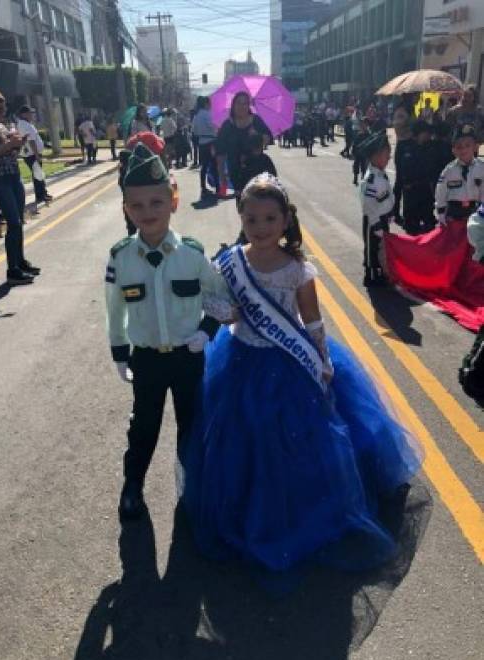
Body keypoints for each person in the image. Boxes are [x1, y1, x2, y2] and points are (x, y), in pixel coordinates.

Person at [180, 172, 422, 575]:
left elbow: (311, 320)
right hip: (240, 356)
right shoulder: (229, 263)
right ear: (241, 218)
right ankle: (246, 505)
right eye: (252, 219)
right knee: (242, 439)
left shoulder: (296, 267)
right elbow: (211, 300)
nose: (260, 228)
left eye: (270, 219)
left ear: (285, 220)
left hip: (288, 361)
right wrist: (226, 312)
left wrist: (323, 359)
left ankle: (305, 507)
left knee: (300, 437)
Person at [105, 143, 225, 520]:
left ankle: (192, 487)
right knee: (144, 427)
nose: (147, 213)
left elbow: (219, 296)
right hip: (148, 361)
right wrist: (120, 352)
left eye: (156, 203)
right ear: (126, 208)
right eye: (137, 205)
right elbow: (115, 308)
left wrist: (207, 331)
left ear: (173, 201)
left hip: (188, 356)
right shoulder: (120, 258)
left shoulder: (192, 255)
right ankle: (132, 487)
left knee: (192, 424)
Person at [0, 88, 39, 285]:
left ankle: (20, 262)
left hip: (13, 174)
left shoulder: (0, 125)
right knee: (12, 221)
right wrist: (8, 145)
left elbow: (8, 152)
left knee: (18, 220)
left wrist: (17, 144)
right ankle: (12, 269)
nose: (2, 113)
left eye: (4, 109)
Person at [216, 91, 271, 199]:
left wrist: (257, 136)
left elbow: (268, 138)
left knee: (259, 203)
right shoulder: (227, 126)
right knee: (243, 206)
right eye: (239, 103)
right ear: (233, 105)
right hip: (236, 173)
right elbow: (220, 153)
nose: (242, 106)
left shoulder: (256, 121)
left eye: (245, 103)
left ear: (249, 106)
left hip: (257, 169)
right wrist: (222, 179)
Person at [359, 132, 394, 286]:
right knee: (371, 247)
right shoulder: (371, 180)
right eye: (386, 155)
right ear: (375, 156)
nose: (388, 159)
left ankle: (380, 271)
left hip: (383, 217)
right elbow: (369, 205)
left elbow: (386, 196)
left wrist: (390, 214)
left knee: (381, 247)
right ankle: (370, 274)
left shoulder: (380, 174)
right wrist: (376, 224)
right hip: (373, 220)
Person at [435, 124, 484, 224]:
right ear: (453, 150)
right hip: (454, 215)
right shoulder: (449, 170)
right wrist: (441, 213)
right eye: (459, 146)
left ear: (475, 147)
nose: (463, 150)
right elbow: (440, 192)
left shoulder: (481, 167)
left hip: (475, 213)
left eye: (467, 145)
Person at [398, 119, 436, 235]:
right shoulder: (407, 148)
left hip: (426, 194)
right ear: (419, 133)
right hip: (412, 194)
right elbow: (404, 173)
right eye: (426, 133)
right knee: (412, 230)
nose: (429, 136)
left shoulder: (429, 147)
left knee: (429, 229)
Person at [15, 104, 52, 211]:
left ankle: (43, 193)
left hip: (32, 153)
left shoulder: (26, 123)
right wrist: (37, 155)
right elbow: (31, 141)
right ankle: (41, 195)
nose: (32, 115)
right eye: (29, 113)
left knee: (38, 174)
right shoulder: (23, 124)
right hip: (31, 154)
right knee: (37, 174)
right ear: (24, 114)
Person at [191, 96, 219, 200]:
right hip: (211, 142)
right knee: (215, 166)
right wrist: (217, 127)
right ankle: (217, 187)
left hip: (201, 143)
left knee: (204, 167)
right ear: (206, 104)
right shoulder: (207, 114)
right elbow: (212, 126)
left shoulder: (196, 115)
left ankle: (203, 188)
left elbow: (194, 130)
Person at [392, 103, 415, 224]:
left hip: (412, 145)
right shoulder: (401, 111)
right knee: (400, 181)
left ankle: (409, 211)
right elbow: (398, 127)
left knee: (411, 181)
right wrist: (412, 124)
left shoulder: (411, 110)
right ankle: (395, 212)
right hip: (403, 145)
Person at [351, 117, 371, 185]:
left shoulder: (369, 134)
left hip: (365, 154)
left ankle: (363, 178)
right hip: (358, 153)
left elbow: (371, 145)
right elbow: (355, 143)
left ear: (367, 124)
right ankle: (355, 177)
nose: (363, 125)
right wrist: (353, 151)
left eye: (364, 123)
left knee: (364, 167)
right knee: (356, 165)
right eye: (362, 123)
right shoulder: (359, 133)